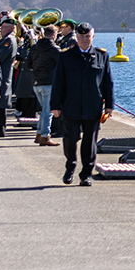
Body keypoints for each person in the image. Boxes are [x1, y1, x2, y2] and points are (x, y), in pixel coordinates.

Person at [49, 22, 114, 185]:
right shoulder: (66, 56)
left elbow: (108, 82)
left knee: (90, 142)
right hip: (71, 104)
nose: (85, 39)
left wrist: (109, 105)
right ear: (76, 37)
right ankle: (70, 167)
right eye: (81, 36)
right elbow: (58, 82)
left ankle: (86, 174)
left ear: (93, 36)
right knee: (70, 139)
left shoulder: (102, 55)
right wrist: (55, 105)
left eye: (87, 36)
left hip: (93, 105)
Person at [27, 25, 60, 146]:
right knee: (48, 111)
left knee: (43, 110)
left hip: (36, 82)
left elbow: (28, 64)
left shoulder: (34, 47)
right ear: (54, 35)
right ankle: (45, 136)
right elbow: (61, 65)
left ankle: (39, 134)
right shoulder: (54, 49)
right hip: (49, 82)